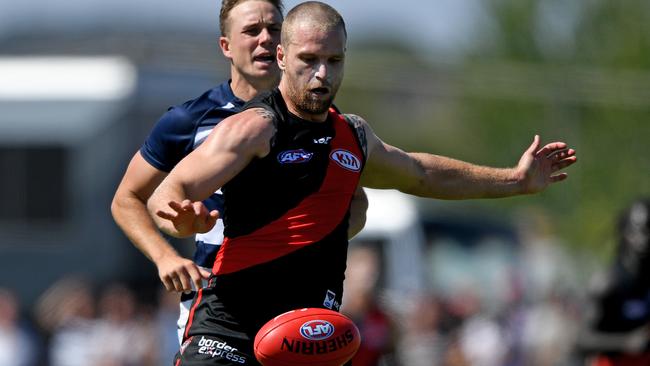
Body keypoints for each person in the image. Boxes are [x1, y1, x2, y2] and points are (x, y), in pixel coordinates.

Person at [147, 2, 578, 365]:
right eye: (309, 60)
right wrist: (182, 218)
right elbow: (168, 192)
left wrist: (515, 180)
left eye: (333, 61)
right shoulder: (254, 128)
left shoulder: (353, 136)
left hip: (308, 336)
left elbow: (422, 173)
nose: (321, 75)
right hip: (228, 329)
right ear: (282, 57)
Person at [110, 0, 369, 344]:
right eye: (251, 30)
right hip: (219, 311)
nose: (264, 38)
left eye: (274, 29)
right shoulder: (189, 121)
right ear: (226, 46)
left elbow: (354, 204)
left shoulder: (321, 119)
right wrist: (165, 257)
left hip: (292, 310)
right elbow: (127, 198)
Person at [577, 198, 650, 366]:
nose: (646, 239)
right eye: (642, 230)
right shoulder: (607, 283)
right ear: (626, 233)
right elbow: (582, 339)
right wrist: (625, 342)